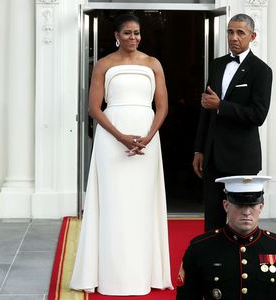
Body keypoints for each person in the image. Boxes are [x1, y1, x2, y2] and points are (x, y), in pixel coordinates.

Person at [70, 14, 173, 295]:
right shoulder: (104, 64)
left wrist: (149, 136)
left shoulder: (153, 64)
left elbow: (162, 106)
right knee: (113, 203)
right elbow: (94, 107)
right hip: (111, 141)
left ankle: (143, 274)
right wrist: (120, 137)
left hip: (147, 142)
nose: (133, 38)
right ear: (116, 35)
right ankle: (111, 276)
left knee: (141, 205)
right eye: (127, 33)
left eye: (137, 33)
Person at [192, 14, 272, 231]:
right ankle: (212, 263)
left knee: (243, 220)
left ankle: (240, 263)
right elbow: (206, 110)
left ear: (252, 36)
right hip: (213, 156)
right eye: (230, 31)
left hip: (242, 158)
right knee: (212, 218)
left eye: (240, 33)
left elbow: (258, 115)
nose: (234, 37)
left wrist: (221, 106)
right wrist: (199, 150)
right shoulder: (217, 65)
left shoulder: (261, 70)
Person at [176, 175, 276, 299]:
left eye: (252, 205)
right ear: (226, 205)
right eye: (239, 205)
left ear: (261, 207)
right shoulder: (200, 249)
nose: (246, 212)